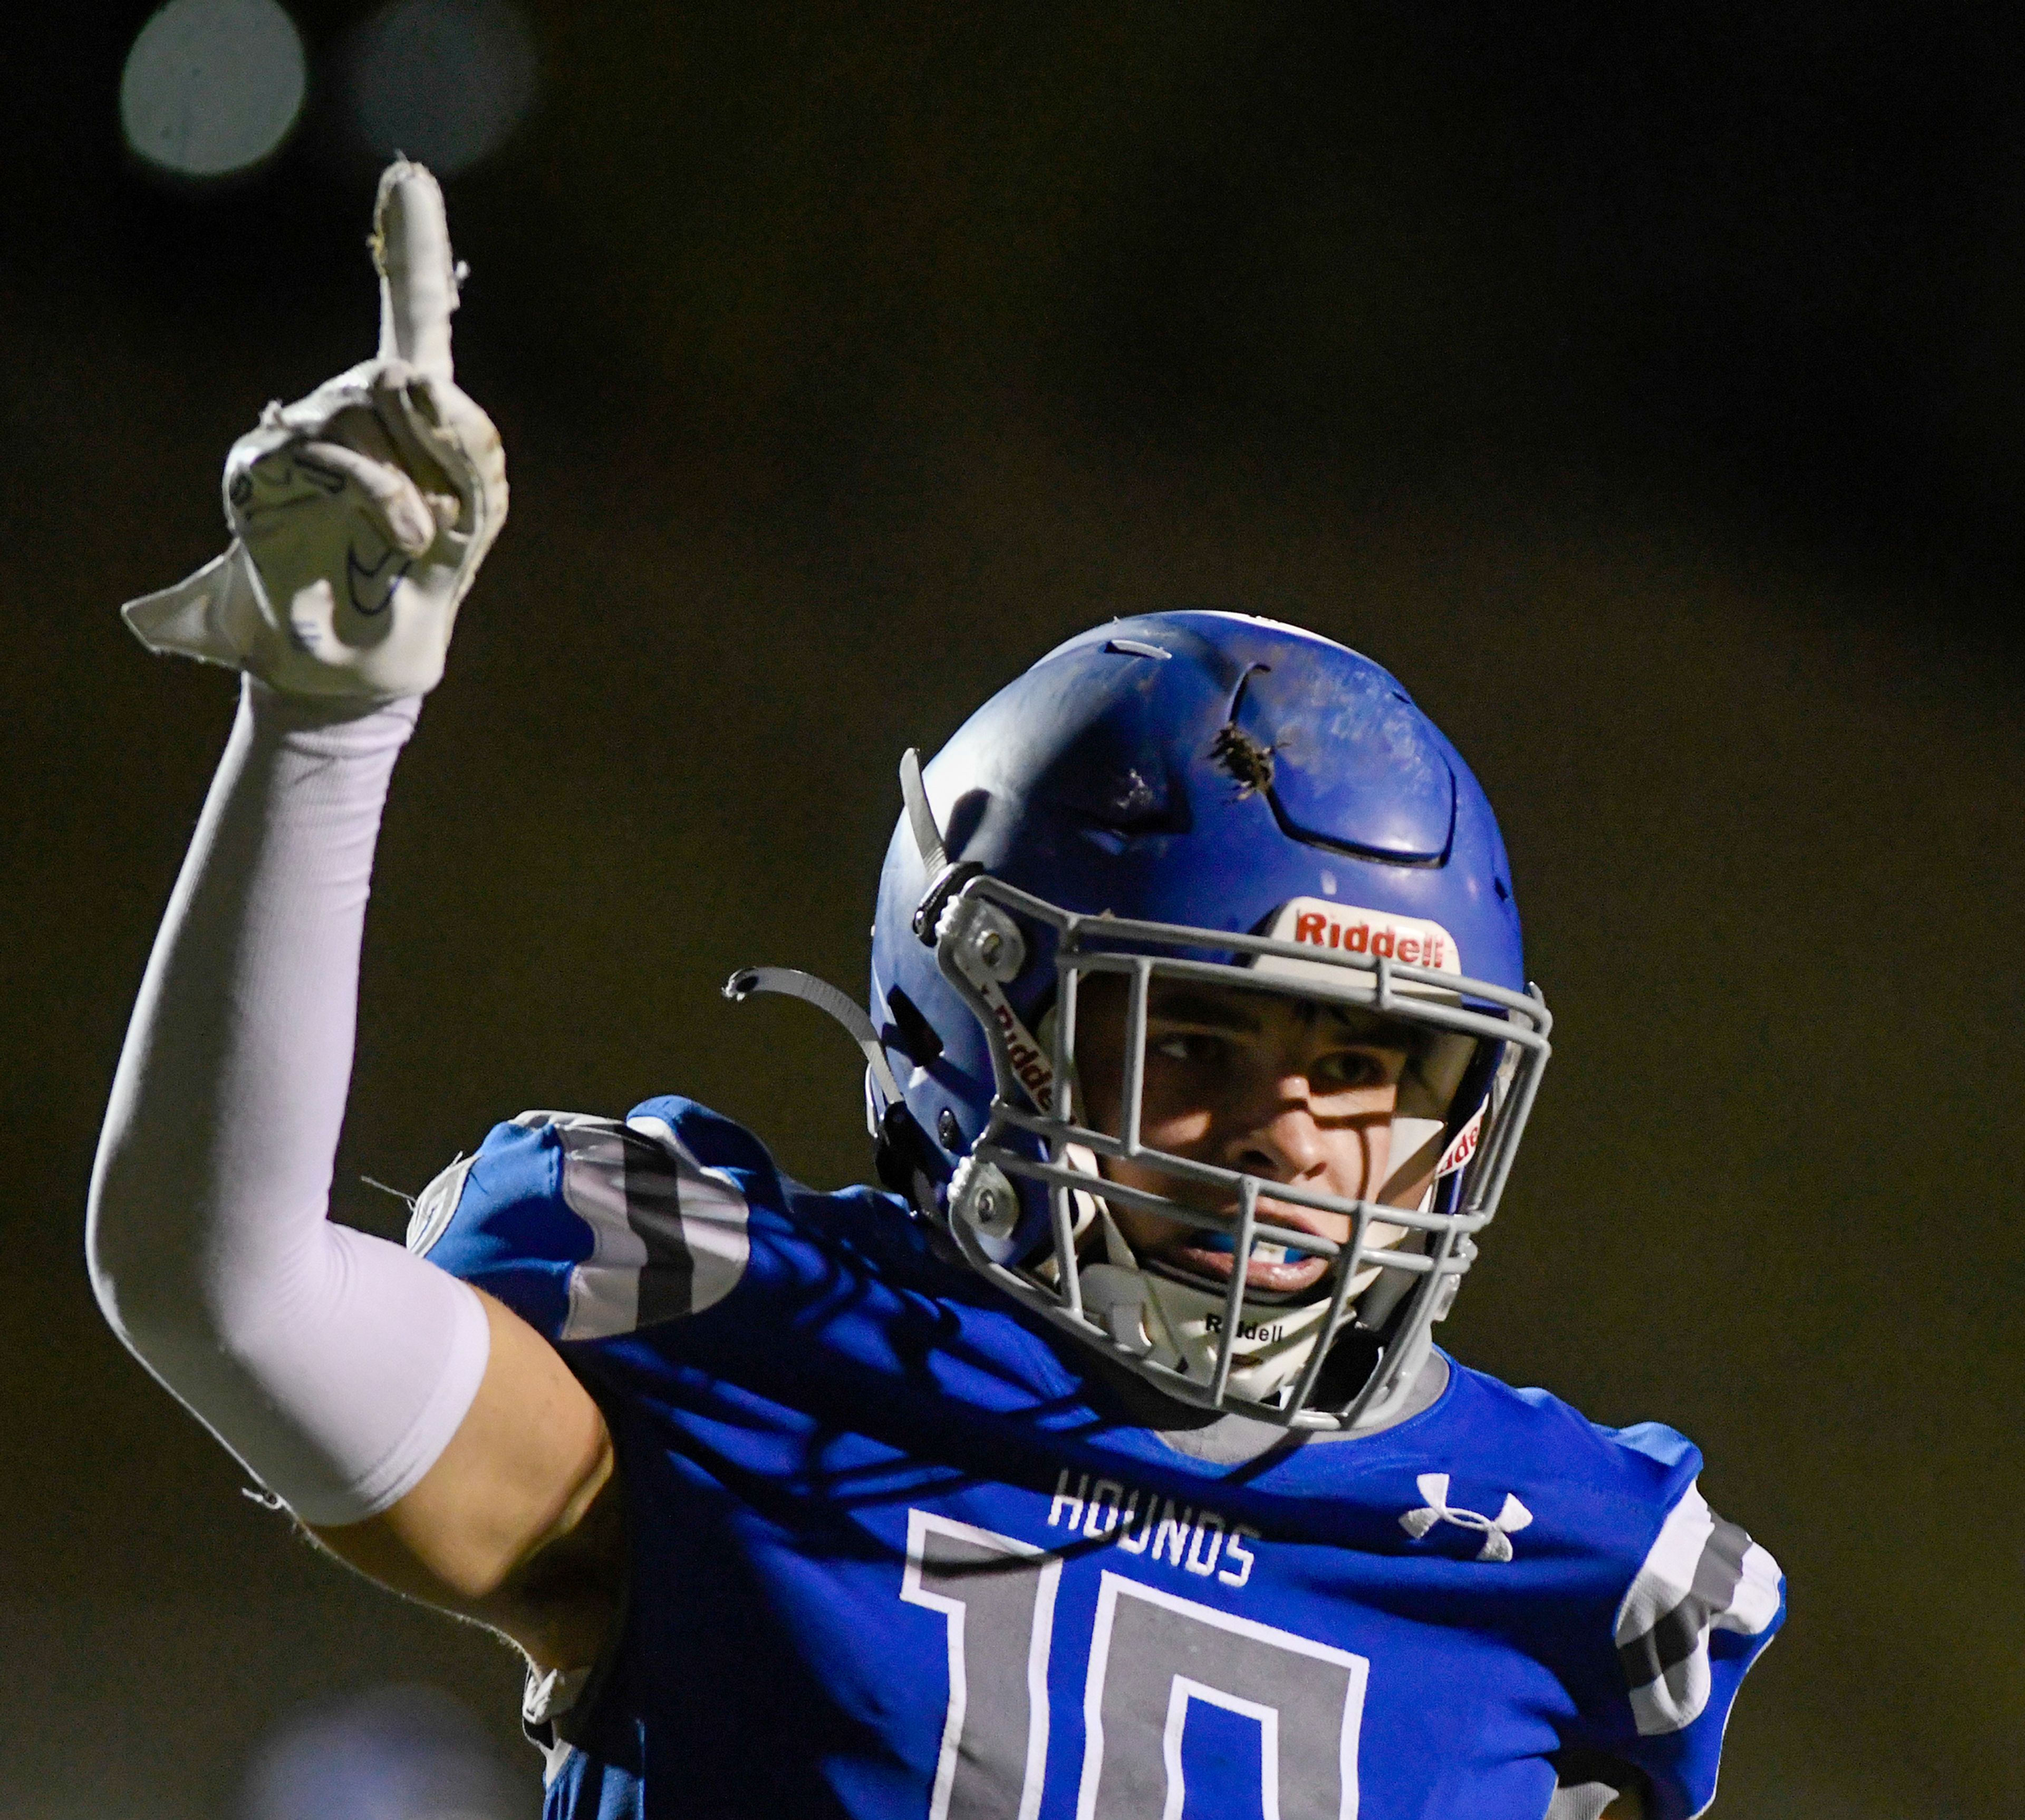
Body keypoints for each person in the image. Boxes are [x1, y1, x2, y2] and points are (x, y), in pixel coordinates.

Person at [88, 163, 1782, 1820]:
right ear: (979, 1028)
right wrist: (324, 725)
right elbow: (220, 1289)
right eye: (1194, 1039)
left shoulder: (1565, 1563)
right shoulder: (751, 1356)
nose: (1292, 1138)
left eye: (1369, 1066)